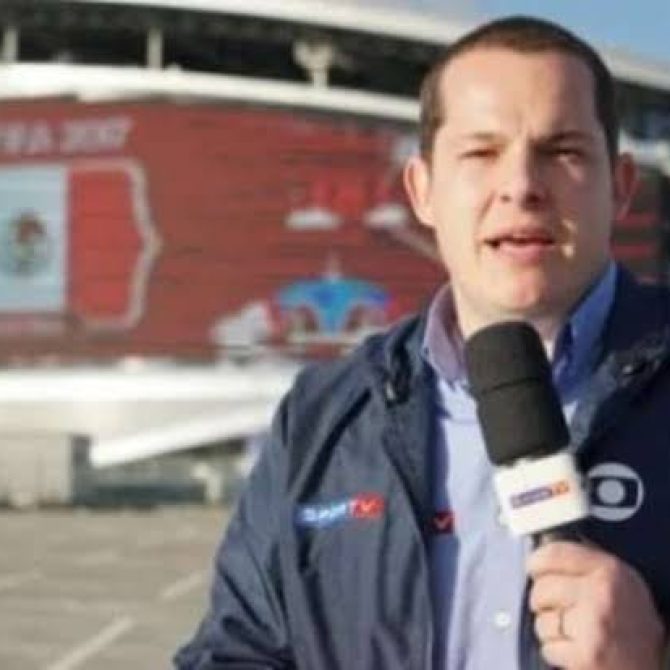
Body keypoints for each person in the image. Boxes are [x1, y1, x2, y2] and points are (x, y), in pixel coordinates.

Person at [175, 15, 670, 670]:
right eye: (481, 153)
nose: (521, 186)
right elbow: (237, 652)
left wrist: (655, 655)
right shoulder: (325, 417)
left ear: (621, 187)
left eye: (563, 151)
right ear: (423, 191)